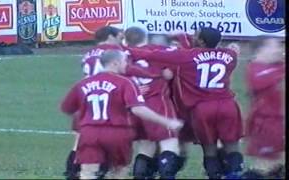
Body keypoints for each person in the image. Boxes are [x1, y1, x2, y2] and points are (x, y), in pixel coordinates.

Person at [128, 27, 244, 179]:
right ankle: (234, 175)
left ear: (201, 41)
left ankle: (214, 175)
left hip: (203, 108)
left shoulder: (188, 56)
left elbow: (153, 55)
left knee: (209, 148)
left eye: (195, 36)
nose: (193, 37)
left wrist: (127, 51)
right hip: (227, 105)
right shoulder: (230, 55)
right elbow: (231, 52)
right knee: (232, 145)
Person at [60, 50, 184, 179]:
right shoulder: (126, 82)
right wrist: (166, 121)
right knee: (118, 171)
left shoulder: (83, 84)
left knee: (87, 172)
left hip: (90, 132)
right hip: (117, 132)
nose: (127, 65)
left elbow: (68, 108)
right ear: (115, 63)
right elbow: (138, 109)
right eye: (125, 62)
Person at [124, 27, 186, 179]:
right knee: (169, 144)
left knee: (145, 146)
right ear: (145, 38)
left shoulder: (121, 55)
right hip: (157, 104)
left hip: (133, 106)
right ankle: (166, 175)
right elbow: (171, 72)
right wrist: (180, 37)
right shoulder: (157, 51)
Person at [241, 36, 285, 179]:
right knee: (264, 167)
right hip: (265, 124)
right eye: (274, 46)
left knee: (275, 167)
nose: (279, 49)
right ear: (260, 51)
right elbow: (259, 82)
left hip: (277, 123)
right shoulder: (254, 68)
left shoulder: (278, 66)